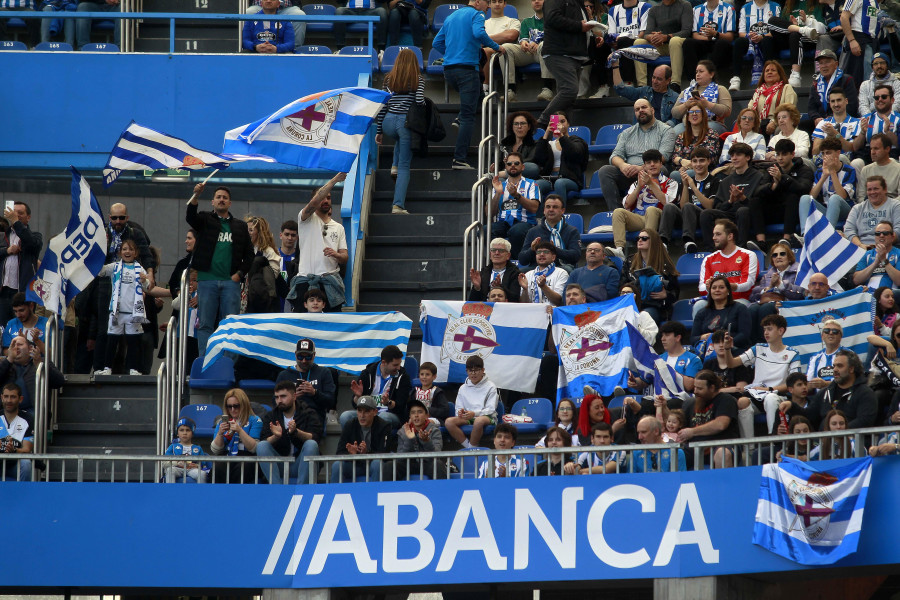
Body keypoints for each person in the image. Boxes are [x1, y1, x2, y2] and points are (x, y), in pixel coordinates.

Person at [432, 0, 504, 170]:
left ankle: (459, 117)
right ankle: (459, 159)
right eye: (487, 3)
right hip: (467, 70)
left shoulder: (451, 17)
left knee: (478, 95)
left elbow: (436, 43)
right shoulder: (476, 14)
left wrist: (452, 54)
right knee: (468, 116)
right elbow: (479, 33)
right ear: (478, 2)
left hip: (449, 71)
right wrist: (496, 47)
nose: (488, 8)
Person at [186, 183, 253, 356]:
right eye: (218, 197)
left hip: (231, 283)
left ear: (230, 203)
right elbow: (190, 217)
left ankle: (228, 365)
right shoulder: (205, 220)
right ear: (212, 202)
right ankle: (205, 361)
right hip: (207, 280)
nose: (221, 200)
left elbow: (250, 255)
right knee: (206, 324)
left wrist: (239, 274)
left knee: (230, 325)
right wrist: (196, 195)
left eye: (225, 197)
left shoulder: (240, 226)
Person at [722, 315, 802, 437]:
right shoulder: (758, 349)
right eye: (764, 329)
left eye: (769, 329)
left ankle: (772, 438)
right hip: (757, 395)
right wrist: (727, 349)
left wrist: (769, 389)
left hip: (779, 396)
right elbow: (731, 363)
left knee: (770, 398)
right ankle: (748, 447)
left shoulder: (792, 354)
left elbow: (792, 384)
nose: (766, 333)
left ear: (781, 331)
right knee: (742, 402)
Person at [596, 99, 678, 212]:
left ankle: (659, 212)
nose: (641, 111)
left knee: (662, 168)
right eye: (637, 109)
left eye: (644, 107)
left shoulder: (666, 130)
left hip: (652, 172)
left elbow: (663, 157)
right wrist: (623, 166)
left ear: (652, 110)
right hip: (629, 173)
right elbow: (615, 156)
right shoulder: (626, 133)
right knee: (605, 171)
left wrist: (641, 168)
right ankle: (617, 213)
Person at [289, 173, 348, 312]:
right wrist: (334, 180)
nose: (326, 200)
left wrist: (336, 255)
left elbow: (345, 258)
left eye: (329, 197)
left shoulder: (339, 227)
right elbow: (314, 203)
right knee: (302, 327)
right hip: (305, 281)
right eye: (323, 197)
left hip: (330, 282)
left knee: (331, 328)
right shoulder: (305, 218)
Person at [376, 49, 425, 216]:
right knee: (406, 166)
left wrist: (379, 130)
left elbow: (383, 105)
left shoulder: (388, 78)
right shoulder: (417, 79)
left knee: (398, 138)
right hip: (405, 123)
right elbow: (419, 101)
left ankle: (394, 166)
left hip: (388, 122)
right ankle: (397, 205)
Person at [606, 149, 678, 260]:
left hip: (660, 217)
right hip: (640, 218)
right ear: (644, 165)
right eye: (648, 162)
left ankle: (649, 249)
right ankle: (619, 249)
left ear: (660, 163)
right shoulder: (637, 183)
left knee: (651, 210)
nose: (652, 164)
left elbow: (667, 202)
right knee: (618, 211)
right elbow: (627, 204)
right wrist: (639, 186)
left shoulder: (670, 182)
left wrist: (650, 183)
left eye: (655, 162)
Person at [92, 239, 150, 376]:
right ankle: (107, 368)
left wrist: (144, 280)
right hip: (116, 311)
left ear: (135, 253)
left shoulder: (139, 268)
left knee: (133, 342)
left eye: (130, 249)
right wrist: (98, 255)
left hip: (133, 312)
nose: (127, 252)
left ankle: (133, 369)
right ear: (120, 252)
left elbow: (147, 286)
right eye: (124, 249)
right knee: (112, 340)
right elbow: (100, 271)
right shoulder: (115, 266)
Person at [699, 145, 769, 249]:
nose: (734, 158)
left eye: (738, 155)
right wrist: (730, 201)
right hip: (730, 213)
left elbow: (759, 204)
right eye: (732, 155)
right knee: (706, 213)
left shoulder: (759, 176)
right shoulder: (726, 181)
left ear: (748, 157)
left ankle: (740, 247)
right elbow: (718, 207)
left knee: (742, 210)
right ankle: (711, 249)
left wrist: (742, 198)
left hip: (749, 214)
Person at [535, 0, 591, 128]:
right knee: (569, 90)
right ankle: (541, 124)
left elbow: (582, 29)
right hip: (559, 53)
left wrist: (593, 39)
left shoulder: (579, 3)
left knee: (567, 102)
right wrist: (579, 26)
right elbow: (552, 17)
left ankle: (560, 135)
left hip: (575, 55)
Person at [257, 381, 323, 485]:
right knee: (262, 445)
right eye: (277, 397)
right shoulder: (271, 416)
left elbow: (316, 438)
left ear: (294, 396)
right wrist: (275, 436)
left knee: (311, 444)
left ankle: (301, 491)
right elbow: (264, 440)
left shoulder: (308, 413)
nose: (279, 400)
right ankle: (277, 489)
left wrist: (296, 432)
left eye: (283, 396)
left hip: (301, 463)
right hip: (280, 464)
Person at [672, 370, 738, 467]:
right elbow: (676, 422)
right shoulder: (690, 403)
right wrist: (662, 407)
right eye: (694, 387)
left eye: (699, 389)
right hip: (694, 448)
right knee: (670, 454)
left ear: (712, 388)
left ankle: (724, 482)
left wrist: (692, 432)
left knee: (722, 453)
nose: (695, 392)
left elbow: (720, 424)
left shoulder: (726, 400)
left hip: (720, 445)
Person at [757, 138, 814, 251]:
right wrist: (773, 185)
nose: (780, 158)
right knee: (755, 201)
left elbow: (804, 190)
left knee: (792, 197)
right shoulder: (772, 169)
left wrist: (783, 178)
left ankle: (787, 239)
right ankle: (761, 242)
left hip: (795, 212)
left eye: (784, 154)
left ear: (792, 154)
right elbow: (758, 191)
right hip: (775, 210)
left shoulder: (804, 169)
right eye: (778, 154)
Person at [662, 148, 718, 253]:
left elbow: (709, 206)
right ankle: (663, 242)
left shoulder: (715, 181)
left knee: (689, 206)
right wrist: (685, 185)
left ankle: (688, 241)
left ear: (708, 161)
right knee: (669, 206)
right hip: (687, 217)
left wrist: (693, 187)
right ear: (691, 163)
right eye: (695, 161)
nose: (698, 164)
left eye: (702, 160)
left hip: (703, 217)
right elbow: (682, 207)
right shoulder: (688, 180)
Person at [696, 219, 760, 309]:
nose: (714, 237)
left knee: (738, 306)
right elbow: (701, 288)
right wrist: (708, 287)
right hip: (715, 301)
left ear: (730, 236)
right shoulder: (708, 259)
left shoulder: (748, 255)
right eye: (713, 234)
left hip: (739, 299)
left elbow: (748, 283)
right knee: (699, 305)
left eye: (718, 234)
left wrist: (728, 286)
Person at [799, 137, 858, 234]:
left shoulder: (849, 170)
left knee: (834, 198)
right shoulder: (819, 172)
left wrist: (832, 172)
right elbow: (812, 197)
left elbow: (842, 196)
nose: (825, 156)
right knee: (805, 198)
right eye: (823, 153)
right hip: (827, 209)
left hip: (845, 210)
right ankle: (805, 235)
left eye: (828, 153)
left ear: (838, 153)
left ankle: (827, 235)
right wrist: (824, 176)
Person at [748, 242, 805, 341]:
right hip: (767, 301)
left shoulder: (799, 272)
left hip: (787, 303)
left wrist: (780, 285)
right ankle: (753, 344)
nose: (778, 257)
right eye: (775, 255)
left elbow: (801, 293)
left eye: (782, 254)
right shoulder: (768, 275)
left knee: (766, 308)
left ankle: (765, 342)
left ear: (789, 257)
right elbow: (753, 295)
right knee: (751, 309)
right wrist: (769, 287)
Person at [344, 344, 411, 429]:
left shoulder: (403, 377)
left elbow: (401, 407)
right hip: (367, 413)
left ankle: (376, 442)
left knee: (383, 417)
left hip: (390, 414)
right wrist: (358, 397)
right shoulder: (367, 373)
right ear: (384, 363)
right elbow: (355, 404)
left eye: (399, 364)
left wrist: (388, 402)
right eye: (395, 365)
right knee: (345, 416)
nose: (398, 367)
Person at [274, 338, 338, 426]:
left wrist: (315, 393)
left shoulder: (323, 373)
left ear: (314, 355)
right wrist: (292, 397)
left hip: (314, 417)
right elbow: (275, 402)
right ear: (295, 355)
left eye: (308, 357)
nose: (304, 361)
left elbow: (330, 401)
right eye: (300, 357)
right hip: (290, 416)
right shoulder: (284, 375)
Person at [500, 0, 554, 102]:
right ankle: (510, 91)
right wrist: (524, 43)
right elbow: (523, 38)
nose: (536, 1)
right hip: (528, 53)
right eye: (533, 0)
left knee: (544, 45)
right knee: (505, 47)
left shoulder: (553, 19)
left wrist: (539, 43)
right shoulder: (526, 21)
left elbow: (555, 38)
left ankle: (548, 89)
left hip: (544, 52)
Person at [490, 152, 540, 258]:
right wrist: (498, 193)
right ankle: (496, 261)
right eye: (509, 164)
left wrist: (517, 195)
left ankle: (518, 262)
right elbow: (489, 213)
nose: (512, 165)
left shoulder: (531, 184)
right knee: (486, 230)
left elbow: (534, 208)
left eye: (516, 163)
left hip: (525, 222)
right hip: (503, 222)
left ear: (522, 167)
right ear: (506, 167)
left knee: (516, 231)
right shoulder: (499, 185)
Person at [0, 201, 43, 327]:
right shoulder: (3, 236)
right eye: (14, 213)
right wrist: (6, 251)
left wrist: (16, 223)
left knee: (22, 328)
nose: (16, 215)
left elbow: (31, 243)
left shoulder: (35, 236)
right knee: (3, 329)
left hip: (22, 292)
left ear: (28, 217)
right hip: (3, 292)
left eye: (20, 213)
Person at [631, 0, 692, 88]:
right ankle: (642, 85)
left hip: (677, 45)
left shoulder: (685, 5)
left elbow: (686, 31)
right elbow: (646, 34)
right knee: (638, 42)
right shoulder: (654, 9)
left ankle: (675, 83)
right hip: (659, 45)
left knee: (674, 41)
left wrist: (666, 37)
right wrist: (653, 37)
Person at [332, 395, 392, 482]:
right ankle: (334, 493)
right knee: (337, 465)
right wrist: (351, 455)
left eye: (366, 411)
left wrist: (366, 454)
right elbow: (339, 452)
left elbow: (385, 454)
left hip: (373, 465)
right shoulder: (350, 425)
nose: (362, 415)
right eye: (359, 411)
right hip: (356, 465)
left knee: (377, 464)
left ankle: (375, 494)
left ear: (375, 412)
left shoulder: (384, 426)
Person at [444, 355, 499, 448]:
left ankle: (473, 447)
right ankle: (469, 447)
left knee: (478, 421)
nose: (473, 374)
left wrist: (474, 413)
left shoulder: (491, 387)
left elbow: (491, 409)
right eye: (470, 371)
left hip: (486, 418)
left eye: (476, 370)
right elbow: (458, 408)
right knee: (449, 422)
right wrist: (461, 413)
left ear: (483, 370)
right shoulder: (463, 388)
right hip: (468, 417)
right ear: (467, 371)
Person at [625, 228, 680, 322]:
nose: (640, 240)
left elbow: (675, 291)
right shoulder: (629, 261)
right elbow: (623, 284)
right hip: (632, 304)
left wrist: (666, 295)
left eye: (644, 238)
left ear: (653, 241)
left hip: (655, 306)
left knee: (644, 316)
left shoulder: (665, 263)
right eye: (638, 238)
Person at [534, 111, 589, 203]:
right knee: (537, 184)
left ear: (568, 124)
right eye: (556, 122)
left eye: (562, 121)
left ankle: (560, 215)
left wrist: (562, 136)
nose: (560, 124)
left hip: (570, 179)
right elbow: (539, 158)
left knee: (560, 183)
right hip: (550, 178)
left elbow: (574, 153)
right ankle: (539, 217)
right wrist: (546, 134)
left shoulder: (577, 141)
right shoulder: (549, 144)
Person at [210, 389, 263, 483]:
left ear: (244, 405)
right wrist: (220, 433)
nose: (233, 410)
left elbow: (253, 448)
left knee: (243, 467)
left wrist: (239, 430)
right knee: (217, 467)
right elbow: (215, 450)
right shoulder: (222, 422)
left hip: (247, 455)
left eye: (236, 406)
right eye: (229, 406)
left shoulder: (255, 420)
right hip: (227, 454)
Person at [816, 349, 877, 427]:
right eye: (834, 366)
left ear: (851, 369)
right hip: (825, 439)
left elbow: (865, 421)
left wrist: (838, 432)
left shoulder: (866, 393)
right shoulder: (824, 393)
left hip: (853, 438)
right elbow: (810, 418)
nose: (834, 370)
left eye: (839, 366)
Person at [518, 195, 581, 270]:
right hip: (538, 268)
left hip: (561, 268)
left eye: (555, 207)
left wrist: (555, 250)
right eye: (548, 207)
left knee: (567, 269)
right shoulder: (533, 231)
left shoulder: (572, 231)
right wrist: (532, 250)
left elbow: (576, 256)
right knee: (521, 272)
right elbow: (522, 260)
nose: (551, 210)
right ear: (544, 210)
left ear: (562, 211)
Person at [730, 0, 782, 91]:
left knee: (767, 41)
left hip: (768, 39)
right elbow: (741, 33)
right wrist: (750, 36)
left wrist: (762, 37)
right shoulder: (745, 8)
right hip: (750, 40)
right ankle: (736, 78)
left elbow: (776, 31)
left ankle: (770, 78)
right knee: (739, 42)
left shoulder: (776, 7)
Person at [691, 275, 752, 351]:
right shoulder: (702, 312)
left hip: (733, 349)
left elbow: (744, 335)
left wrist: (725, 343)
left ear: (728, 291)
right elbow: (693, 339)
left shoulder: (740, 308)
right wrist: (705, 337)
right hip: (708, 350)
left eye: (721, 287)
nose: (717, 290)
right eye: (714, 288)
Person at [670, 61, 732, 135]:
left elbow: (727, 111)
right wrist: (686, 105)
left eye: (701, 71)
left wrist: (707, 104)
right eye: (696, 72)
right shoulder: (687, 91)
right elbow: (674, 113)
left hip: (711, 122)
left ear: (711, 74)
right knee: (673, 133)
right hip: (688, 124)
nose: (698, 74)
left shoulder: (720, 89)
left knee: (705, 130)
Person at [680, 0, 735, 83]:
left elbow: (730, 37)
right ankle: (693, 80)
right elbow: (695, 35)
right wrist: (708, 38)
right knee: (688, 43)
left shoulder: (728, 8)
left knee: (722, 44)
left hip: (720, 40)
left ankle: (709, 78)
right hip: (704, 41)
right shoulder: (696, 9)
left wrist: (715, 34)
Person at [394, 398, 446, 480]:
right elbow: (401, 457)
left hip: (427, 464)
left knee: (438, 464)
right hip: (409, 464)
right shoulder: (403, 431)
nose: (416, 415)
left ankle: (441, 491)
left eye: (420, 412)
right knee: (390, 466)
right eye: (413, 412)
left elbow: (436, 454)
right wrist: (410, 439)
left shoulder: (434, 430)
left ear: (427, 416)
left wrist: (426, 441)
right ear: (410, 416)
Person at [612, 64, 679, 126]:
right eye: (653, 77)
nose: (655, 81)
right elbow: (620, 90)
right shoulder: (643, 91)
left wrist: (666, 125)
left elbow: (677, 118)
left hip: (662, 133)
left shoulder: (675, 97)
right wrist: (615, 67)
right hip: (641, 132)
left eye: (659, 79)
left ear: (668, 81)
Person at [670, 100, 722, 179]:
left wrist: (688, 165)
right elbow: (675, 158)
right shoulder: (682, 136)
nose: (694, 114)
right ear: (688, 117)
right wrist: (682, 161)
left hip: (703, 171)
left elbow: (710, 158)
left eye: (697, 111)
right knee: (674, 174)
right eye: (691, 112)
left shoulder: (712, 134)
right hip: (683, 170)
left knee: (683, 174)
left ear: (703, 115)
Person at [844, 176, 900, 248]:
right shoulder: (857, 208)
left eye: (876, 189)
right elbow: (849, 230)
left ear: (885, 189)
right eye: (869, 190)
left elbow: (898, 230)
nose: (872, 192)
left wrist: (881, 245)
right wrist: (860, 245)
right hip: (861, 247)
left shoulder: (895, 206)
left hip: (888, 247)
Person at [807, 50, 859, 125]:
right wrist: (816, 118)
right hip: (821, 123)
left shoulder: (846, 80)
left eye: (827, 62)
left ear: (836, 64)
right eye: (821, 63)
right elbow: (811, 108)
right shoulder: (816, 83)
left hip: (843, 121)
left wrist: (833, 118)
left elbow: (852, 106)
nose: (824, 66)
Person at [606, 0, 652, 87]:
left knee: (624, 41)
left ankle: (628, 82)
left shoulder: (645, 7)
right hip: (619, 43)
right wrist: (613, 41)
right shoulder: (613, 10)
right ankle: (604, 86)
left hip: (639, 42)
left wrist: (625, 38)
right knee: (601, 45)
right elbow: (611, 34)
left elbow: (644, 33)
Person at [482, 0, 522, 93]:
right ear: (489, 5)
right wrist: (501, 36)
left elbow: (510, 36)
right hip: (483, 55)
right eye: (494, 2)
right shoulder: (483, 23)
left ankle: (485, 89)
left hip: (504, 54)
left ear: (505, 4)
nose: (497, 4)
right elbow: (477, 40)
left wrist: (485, 39)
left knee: (486, 50)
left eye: (500, 2)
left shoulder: (512, 21)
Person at [748, 62, 800, 133]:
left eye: (773, 70)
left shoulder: (786, 88)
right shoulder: (758, 92)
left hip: (779, 123)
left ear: (779, 74)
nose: (769, 72)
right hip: (760, 124)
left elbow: (789, 110)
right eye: (767, 71)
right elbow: (750, 110)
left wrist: (774, 123)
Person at [810, 87, 860, 160]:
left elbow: (851, 148)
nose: (836, 104)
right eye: (833, 101)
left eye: (839, 100)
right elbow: (815, 152)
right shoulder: (823, 123)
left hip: (844, 161)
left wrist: (835, 135)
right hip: (823, 161)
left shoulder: (857, 122)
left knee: (842, 158)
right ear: (830, 104)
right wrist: (828, 138)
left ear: (846, 101)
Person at [841, 0, 879, 86]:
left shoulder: (875, 2)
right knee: (861, 77)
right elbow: (844, 17)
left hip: (871, 41)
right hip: (859, 39)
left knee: (870, 76)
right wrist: (851, 40)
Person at [0, 383, 33, 482]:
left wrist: (14, 451)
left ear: (20, 399)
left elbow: (27, 449)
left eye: (13, 397)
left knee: (26, 464)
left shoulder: (28, 419)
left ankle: (23, 495)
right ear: (1, 398)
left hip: (15, 463)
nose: (9, 400)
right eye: (6, 396)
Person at [703, 329, 753, 393]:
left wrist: (714, 392)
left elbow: (741, 389)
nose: (721, 345)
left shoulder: (739, 364)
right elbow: (703, 388)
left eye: (723, 342)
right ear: (713, 346)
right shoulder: (708, 364)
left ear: (731, 343)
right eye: (717, 342)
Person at [853, 220, 900, 289]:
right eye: (878, 233)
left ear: (892, 236)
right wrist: (875, 263)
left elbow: (899, 281)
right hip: (869, 295)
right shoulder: (867, 254)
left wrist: (884, 260)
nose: (881, 235)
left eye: (885, 233)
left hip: (891, 294)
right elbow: (856, 280)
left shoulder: (898, 253)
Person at [162, 417, 210, 484]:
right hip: (177, 469)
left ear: (192, 433)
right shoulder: (172, 447)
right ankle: (170, 492)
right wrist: (177, 463)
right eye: (181, 430)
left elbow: (203, 464)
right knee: (170, 470)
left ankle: (201, 493)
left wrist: (197, 466)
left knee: (202, 474)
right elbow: (164, 463)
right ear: (177, 433)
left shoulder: (198, 448)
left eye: (188, 430)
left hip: (192, 469)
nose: (185, 433)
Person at [804, 320, 846, 394]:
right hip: (820, 402)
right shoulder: (815, 358)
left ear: (840, 336)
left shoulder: (848, 355)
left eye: (835, 331)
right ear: (822, 336)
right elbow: (808, 386)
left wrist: (825, 384)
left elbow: (851, 382)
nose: (830, 333)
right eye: (826, 331)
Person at [659, 321, 702, 392]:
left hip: (681, 399)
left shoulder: (693, 359)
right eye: (662, 335)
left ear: (678, 338)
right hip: (659, 398)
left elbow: (689, 386)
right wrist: (634, 381)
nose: (662, 339)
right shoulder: (658, 359)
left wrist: (668, 370)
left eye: (667, 335)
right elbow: (644, 381)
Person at [856, 134, 900, 203]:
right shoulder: (865, 170)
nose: (872, 152)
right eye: (871, 149)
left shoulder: (898, 169)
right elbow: (861, 197)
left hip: (892, 208)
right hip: (870, 207)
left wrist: (883, 205)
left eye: (876, 148)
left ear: (887, 149)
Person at [499, 111, 540, 179]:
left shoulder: (535, 144)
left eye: (523, 123)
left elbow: (532, 162)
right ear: (512, 127)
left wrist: (512, 162)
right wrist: (494, 168)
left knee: (531, 167)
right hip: (508, 179)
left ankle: (506, 174)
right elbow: (499, 165)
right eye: (516, 124)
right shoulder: (505, 144)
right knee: (499, 181)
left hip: (527, 177)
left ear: (529, 127)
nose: (519, 126)